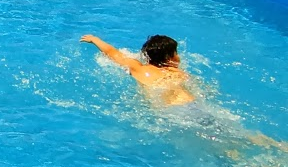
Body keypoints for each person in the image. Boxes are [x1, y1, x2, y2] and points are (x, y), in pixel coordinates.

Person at [79, 33, 288, 156]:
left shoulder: (138, 69)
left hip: (175, 113)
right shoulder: (178, 73)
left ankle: (236, 157)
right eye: (176, 52)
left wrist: (95, 39)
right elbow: (203, 89)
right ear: (170, 57)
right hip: (195, 107)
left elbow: (113, 53)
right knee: (235, 133)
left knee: (216, 142)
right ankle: (276, 146)